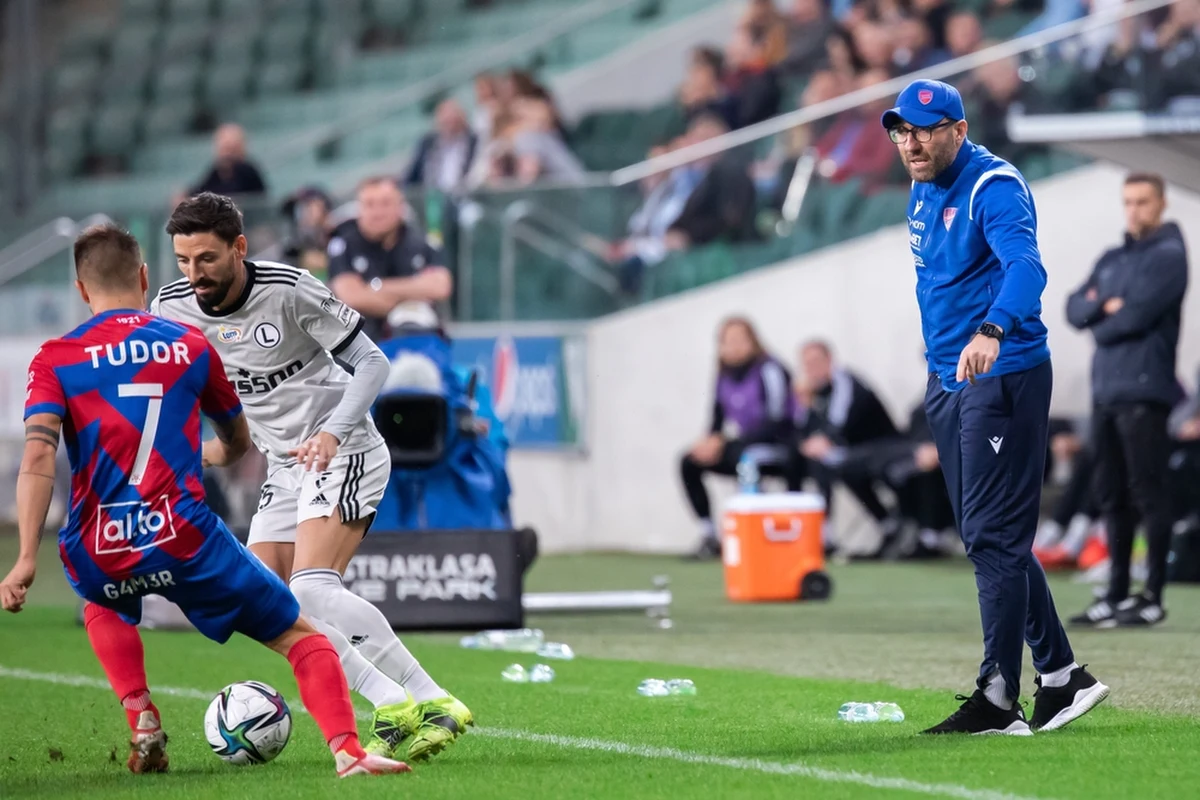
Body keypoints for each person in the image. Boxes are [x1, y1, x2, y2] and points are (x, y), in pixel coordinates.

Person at [0, 225, 408, 778]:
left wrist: (25, 558)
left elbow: (39, 458)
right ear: (145, 278)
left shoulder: (55, 359)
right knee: (301, 637)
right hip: (184, 536)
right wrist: (206, 455)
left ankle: (140, 712)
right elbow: (239, 442)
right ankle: (348, 751)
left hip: (101, 542)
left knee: (102, 598)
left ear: (80, 290)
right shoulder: (190, 346)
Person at [153, 194, 472, 763]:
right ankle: (396, 698)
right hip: (285, 465)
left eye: (206, 258)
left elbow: (374, 363)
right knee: (265, 600)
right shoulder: (172, 307)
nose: (194, 273)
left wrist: (331, 433)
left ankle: (425, 697)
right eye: (183, 260)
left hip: (344, 449)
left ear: (239, 247)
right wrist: (210, 451)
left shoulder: (289, 289)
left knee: (310, 588)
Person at [883, 79, 1107, 735]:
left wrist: (992, 329)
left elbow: (1026, 269)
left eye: (925, 129)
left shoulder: (993, 185)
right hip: (949, 379)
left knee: (990, 537)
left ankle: (999, 697)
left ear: (958, 127)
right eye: (902, 130)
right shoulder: (923, 187)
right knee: (993, 537)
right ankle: (1063, 677)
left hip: (1001, 373)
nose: (912, 142)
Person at [1064, 172, 1188, 628]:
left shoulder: (1170, 255)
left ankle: (1151, 595)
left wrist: (1104, 311)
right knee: (1110, 495)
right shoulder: (1113, 257)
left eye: (1142, 202)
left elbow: (1131, 318)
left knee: (1149, 493)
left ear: (1161, 204)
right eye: (1128, 202)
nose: (1134, 210)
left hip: (1145, 390)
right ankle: (1115, 594)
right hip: (1107, 392)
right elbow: (1073, 308)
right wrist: (1104, 308)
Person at [681, 317, 798, 559]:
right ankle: (709, 535)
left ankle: (756, 535)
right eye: (727, 341)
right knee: (689, 461)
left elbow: (777, 421)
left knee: (747, 461)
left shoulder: (770, 369)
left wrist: (724, 441)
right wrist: (710, 441)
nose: (733, 346)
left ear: (752, 341)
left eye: (739, 340)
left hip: (780, 446)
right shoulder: (723, 374)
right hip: (742, 445)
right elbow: (716, 418)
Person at [327, 177, 453, 342]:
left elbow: (440, 287)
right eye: (370, 204)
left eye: (385, 203)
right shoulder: (343, 245)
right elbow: (351, 296)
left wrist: (376, 287)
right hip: (361, 346)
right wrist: (411, 299)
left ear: (400, 206)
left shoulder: (423, 243)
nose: (378, 212)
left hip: (418, 341)